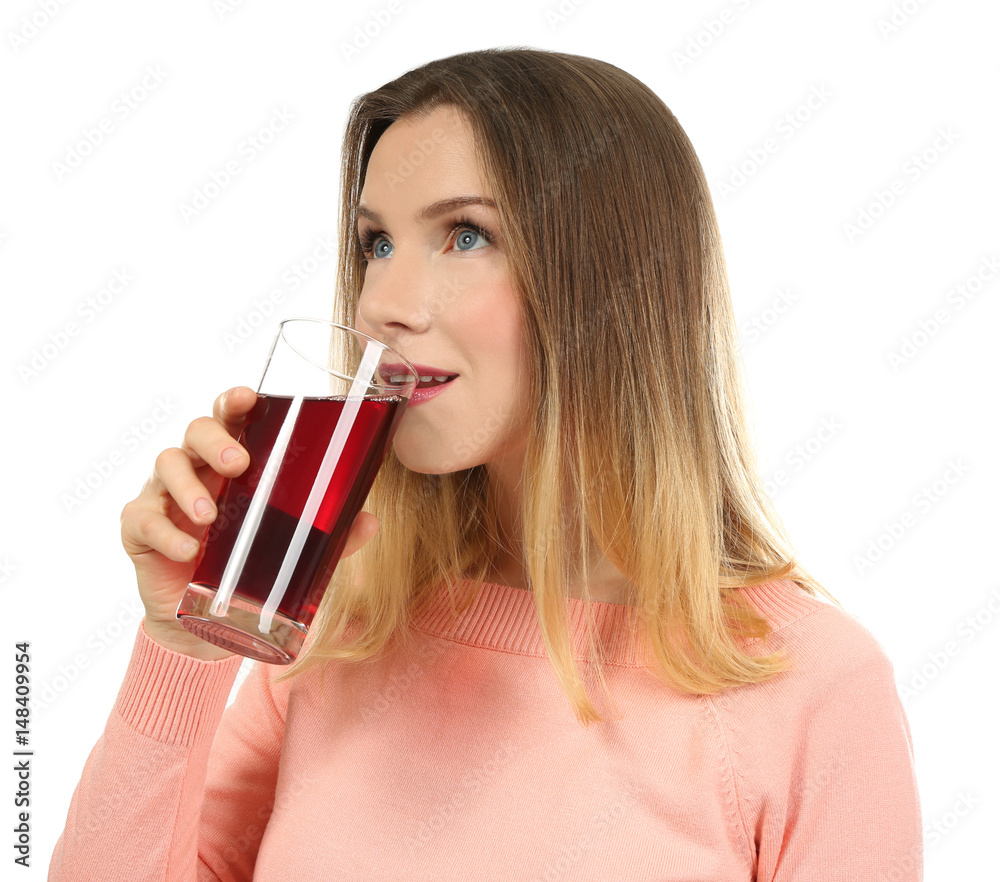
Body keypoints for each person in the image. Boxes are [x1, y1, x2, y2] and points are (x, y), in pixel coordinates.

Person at [49, 48, 922, 880]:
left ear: (612, 283)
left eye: (465, 235)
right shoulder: (339, 638)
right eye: (376, 244)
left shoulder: (812, 689)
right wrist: (187, 645)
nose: (382, 305)